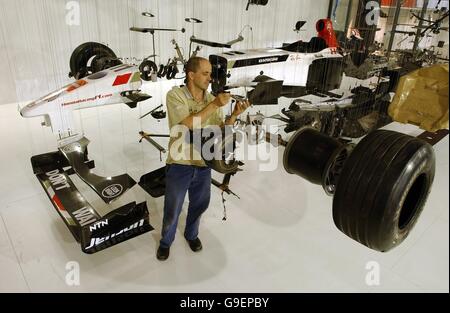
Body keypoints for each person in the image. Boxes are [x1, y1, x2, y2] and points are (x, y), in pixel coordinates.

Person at [157, 56, 250, 261]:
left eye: (210, 73)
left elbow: (220, 131)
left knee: (200, 205)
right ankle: (166, 242)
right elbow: (185, 125)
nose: (210, 78)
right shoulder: (176, 95)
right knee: (173, 208)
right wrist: (215, 104)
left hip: (204, 163)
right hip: (180, 163)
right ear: (191, 75)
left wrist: (233, 115)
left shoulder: (211, 100)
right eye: (205, 73)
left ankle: (192, 235)